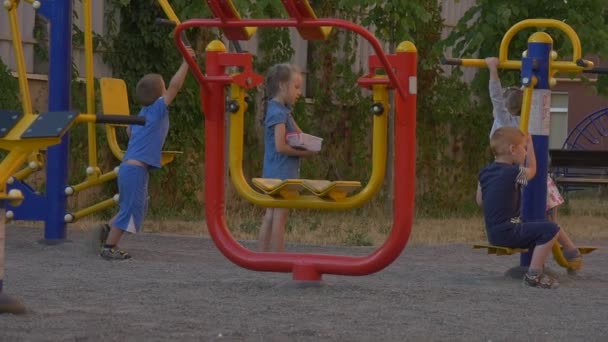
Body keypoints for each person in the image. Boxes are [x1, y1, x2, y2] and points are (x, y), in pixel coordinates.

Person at [92, 47, 195, 260]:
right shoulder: (157, 109)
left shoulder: (142, 113)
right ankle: (109, 248)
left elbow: (130, 131)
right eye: (164, 88)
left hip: (129, 167)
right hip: (136, 169)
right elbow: (176, 86)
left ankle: (106, 229)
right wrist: (187, 61)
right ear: (160, 93)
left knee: (134, 207)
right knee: (131, 210)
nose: (167, 90)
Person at [476, 127, 582, 289]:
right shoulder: (514, 172)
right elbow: (532, 171)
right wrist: (532, 144)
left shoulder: (484, 172)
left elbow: (480, 201)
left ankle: (559, 257)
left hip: (493, 233)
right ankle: (534, 274)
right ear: (512, 150)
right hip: (509, 232)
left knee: (539, 225)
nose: (525, 153)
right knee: (550, 229)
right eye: (523, 149)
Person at [485, 57, 564, 220]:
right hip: (530, 166)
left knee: (517, 204)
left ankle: (527, 227)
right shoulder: (526, 118)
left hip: (512, 168)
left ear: (505, 108)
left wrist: (492, 68)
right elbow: (525, 96)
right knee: (540, 201)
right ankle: (549, 228)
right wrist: (530, 75)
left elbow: (496, 96)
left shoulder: (503, 120)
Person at [257, 63, 317, 252]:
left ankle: (263, 256)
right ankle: (277, 258)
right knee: (279, 216)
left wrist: (310, 144)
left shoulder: (282, 111)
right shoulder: (278, 113)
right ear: (283, 86)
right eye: (296, 87)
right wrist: (305, 152)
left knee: (271, 213)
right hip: (281, 173)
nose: (299, 92)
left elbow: (300, 136)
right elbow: (281, 146)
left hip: (274, 171)